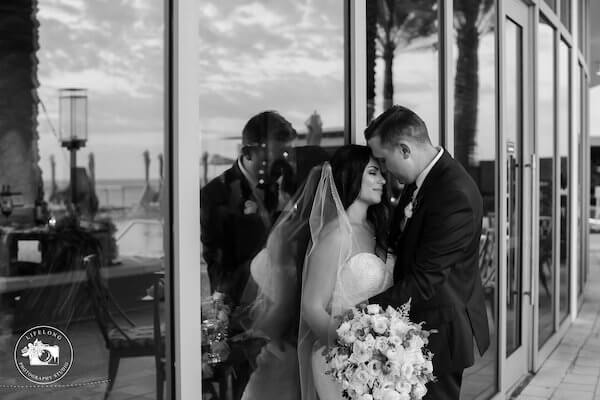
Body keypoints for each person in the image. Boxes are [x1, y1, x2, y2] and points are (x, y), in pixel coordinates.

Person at [365, 105, 490, 400]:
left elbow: (424, 280)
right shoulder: (421, 180)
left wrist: (361, 313)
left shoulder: (453, 193)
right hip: (414, 327)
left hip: (439, 331)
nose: (384, 171)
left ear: (405, 150)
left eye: (384, 160)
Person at [200, 110, 297, 400]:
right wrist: (225, 312)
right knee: (231, 374)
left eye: (283, 155)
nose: (281, 164)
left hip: (274, 300)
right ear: (249, 152)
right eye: (275, 156)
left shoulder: (276, 189)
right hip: (233, 300)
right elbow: (216, 260)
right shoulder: (214, 194)